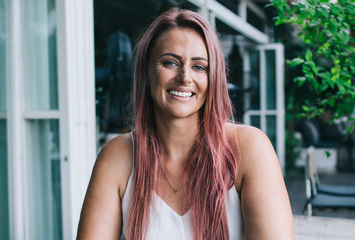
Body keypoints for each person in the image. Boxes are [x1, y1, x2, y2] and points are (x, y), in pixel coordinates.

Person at [77, 8, 294, 240]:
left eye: (199, 67)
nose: (185, 77)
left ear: (214, 79)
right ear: (147, 74)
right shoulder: (118, 156)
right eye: (170, 62)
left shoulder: (249, 148)